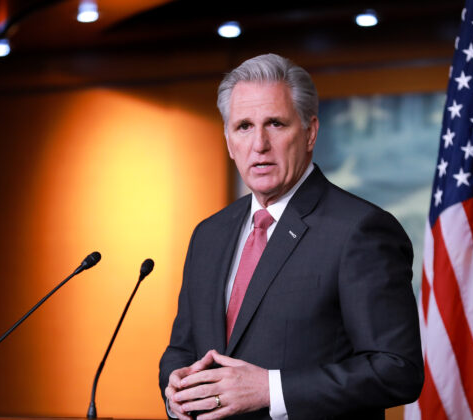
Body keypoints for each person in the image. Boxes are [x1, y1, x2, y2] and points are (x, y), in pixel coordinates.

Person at [159, 53, 423, 420]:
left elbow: (397, 370)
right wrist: (174, 389)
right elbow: (182, 348)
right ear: (228, 140)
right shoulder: (208, 234)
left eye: (276, 124)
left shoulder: (360, 230)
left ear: (310, 131)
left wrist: (270, 389)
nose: (259, 144)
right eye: (244, 127)